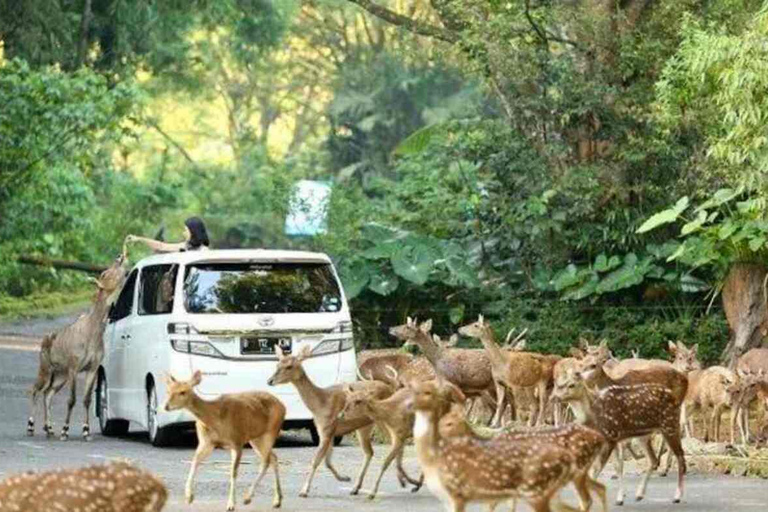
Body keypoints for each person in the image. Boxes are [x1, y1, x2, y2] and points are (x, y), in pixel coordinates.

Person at [126, 217, 210, 253]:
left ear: (193, 231)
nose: (183, 233)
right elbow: (161, 246)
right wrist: (139, 239)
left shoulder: (204, 252)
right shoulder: (185, 247)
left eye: (185, 230)